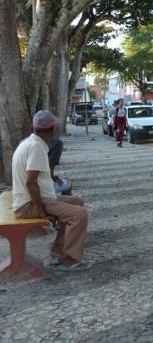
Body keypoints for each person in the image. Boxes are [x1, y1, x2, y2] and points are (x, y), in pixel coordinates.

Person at [12, 110, 90, 271]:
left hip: (35, 199)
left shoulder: (27, 142)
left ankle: (58, 251)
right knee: (80, 214)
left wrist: (49, 177)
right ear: (53, 129)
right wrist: (42, 213)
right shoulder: (37, 146)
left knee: (77, 203)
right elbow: (30, 183)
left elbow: (34, 176)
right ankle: (68, 258)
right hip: (29, 204)